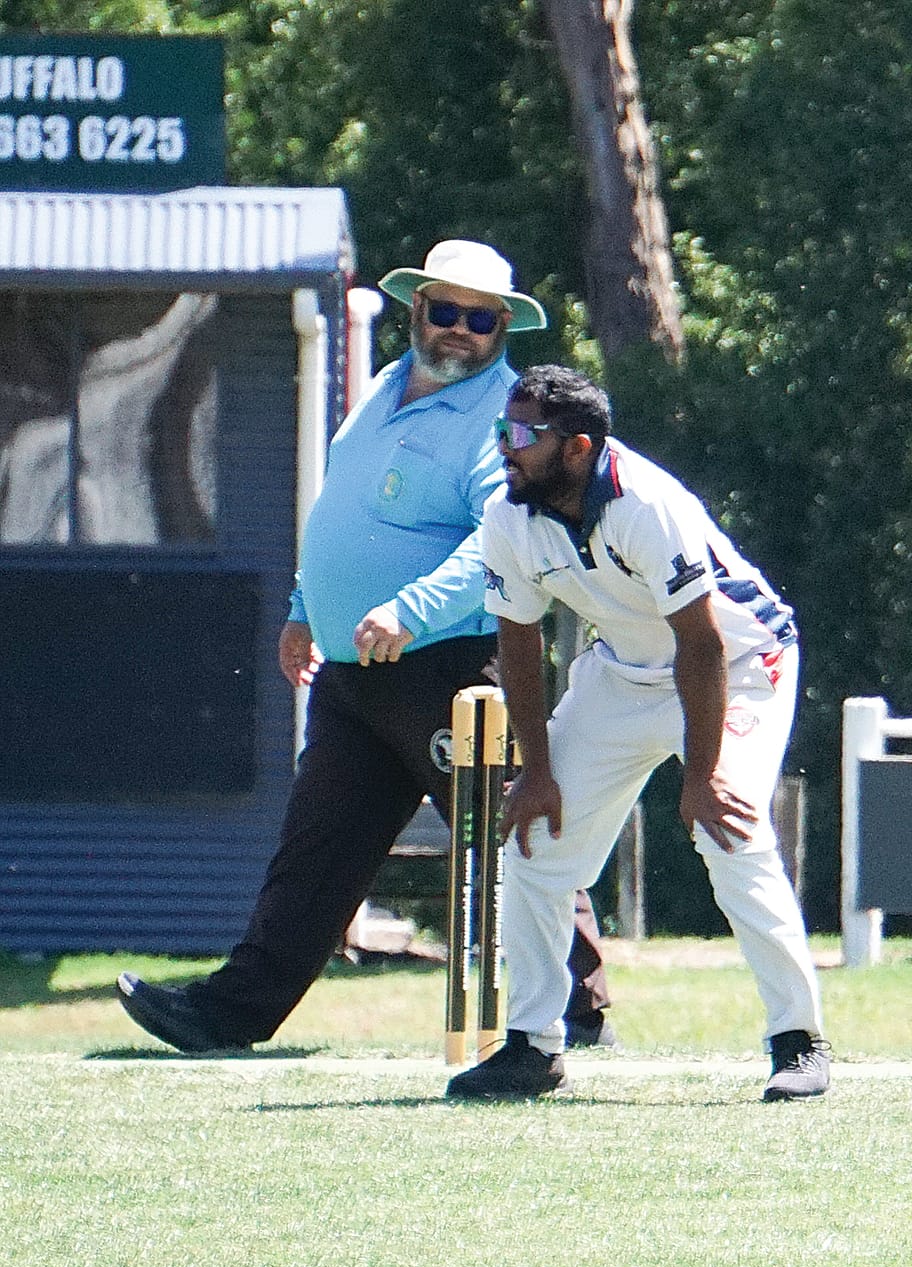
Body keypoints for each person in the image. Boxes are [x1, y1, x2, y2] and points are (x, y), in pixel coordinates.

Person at [116, 240, 616, 1053]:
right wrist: (305, 608)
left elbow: (498, 542)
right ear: (417, 308)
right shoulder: (384, 387)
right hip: (355, 674)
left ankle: (581, 1011)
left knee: (509, 834)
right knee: (314, 852)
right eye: (446, 311)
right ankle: (230, 1014)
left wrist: (409, 613)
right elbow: (341, 512)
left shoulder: (504, 417)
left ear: (502, 327)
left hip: (452, 668)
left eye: (481, 318)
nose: (461, 330)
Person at [443, 364, 830, 1101]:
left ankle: (798, 1041)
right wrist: (538, 769)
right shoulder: (506, 515)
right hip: (622, 673)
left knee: (731, 835)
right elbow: (520, 645)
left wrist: (702, 774)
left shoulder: (646, 503)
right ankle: (532, 1046)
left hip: (741, 663)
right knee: (534, 842)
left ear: (579, 447)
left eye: (522, 435)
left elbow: (704, 644)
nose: (505, 448)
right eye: (502, 430)